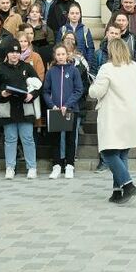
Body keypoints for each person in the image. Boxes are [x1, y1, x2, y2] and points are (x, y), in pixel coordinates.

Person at [89, 37, 136, 203]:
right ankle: (117, 192)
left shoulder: (107, 68)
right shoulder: (134, 67)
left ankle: (128, 185)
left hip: (114, 117)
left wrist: (92, 85)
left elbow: (96, 92)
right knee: (121, 153)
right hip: (132, 117)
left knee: (108, 153)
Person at [0, 42, 41, 180]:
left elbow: (38, 85)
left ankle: (31, 167)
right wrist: (1, 93)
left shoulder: (27, 67)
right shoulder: (1, 69)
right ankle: (10, 167)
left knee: (28, 138)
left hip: (25, 107)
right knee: (10, 139)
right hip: (8, 108)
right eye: (12, 52)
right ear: (7, 54)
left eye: (17, 52)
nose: (14, 55)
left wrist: (32, 94)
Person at [42, 43, 83, 178]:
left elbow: (78, 90)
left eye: (63, 54)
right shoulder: (51, 72)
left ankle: (70, 165)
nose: (60, 57)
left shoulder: (73, 70)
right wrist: (52, 105)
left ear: (67, 55)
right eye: (58, 54)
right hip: (55, 110)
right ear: (55, 56)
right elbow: (46, 91)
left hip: (71, 110)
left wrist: (68, 104)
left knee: (70, 138)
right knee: (56, 138)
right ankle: (57, 165)